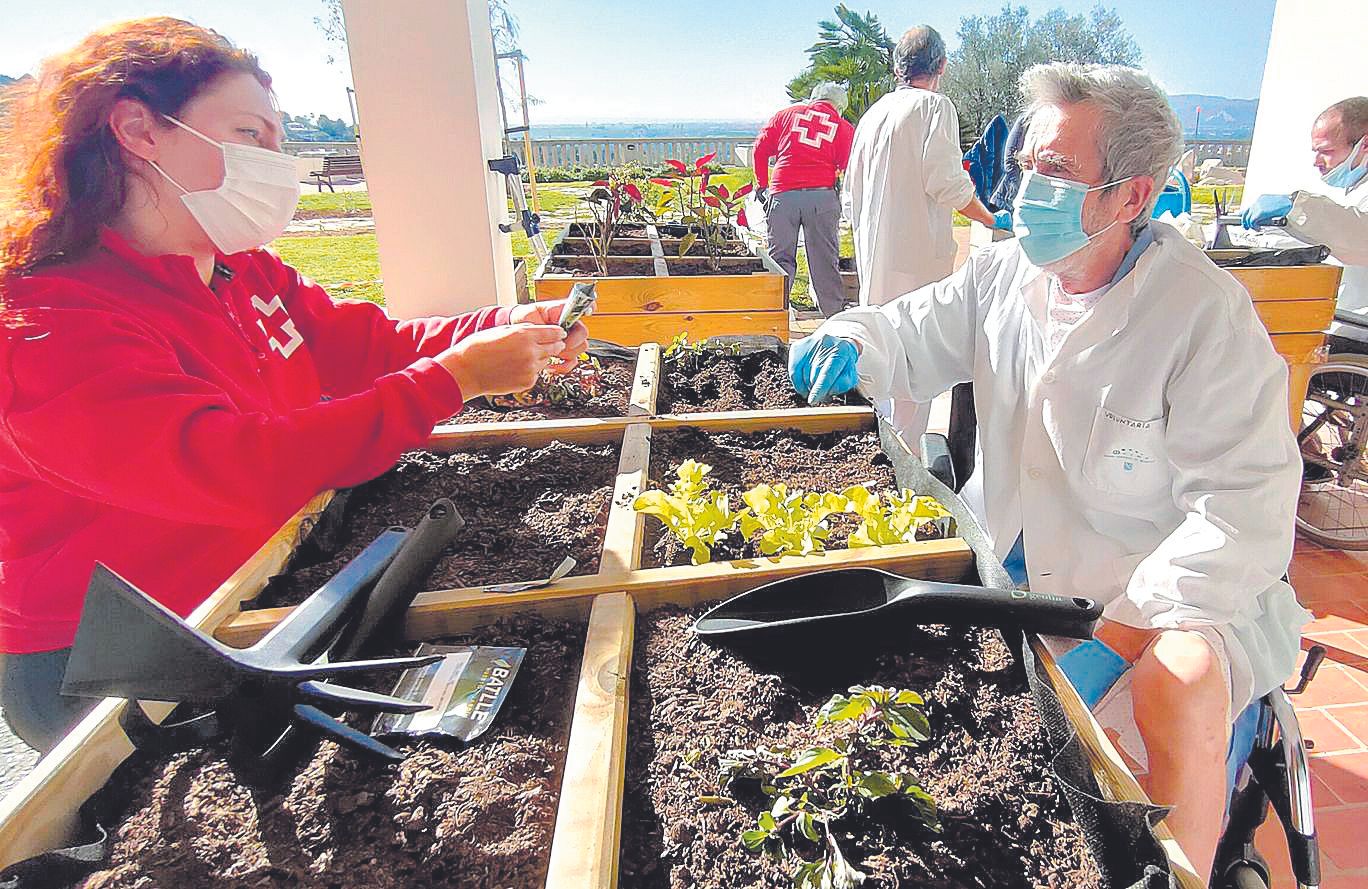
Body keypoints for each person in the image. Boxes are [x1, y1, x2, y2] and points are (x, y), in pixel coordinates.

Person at [0, 18, 588, 752]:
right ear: (137, 130)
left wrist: (506, 322)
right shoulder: (45, 322)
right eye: (251, 135)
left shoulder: (235, 268)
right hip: (112, 660)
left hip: (261, 590)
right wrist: (456, 379)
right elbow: (241, 467)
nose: (278, 163)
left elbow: (370, 347)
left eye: (280, 140)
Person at [790, 63, 1309, 882]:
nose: (1029, 185)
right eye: (1027, 163)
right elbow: (908, 328)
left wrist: (1125, 631)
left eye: (1057, 171)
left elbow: (1241, 516)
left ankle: (1178, 869)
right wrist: (853, 339)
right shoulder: (1004, 273)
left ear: (1132, 198)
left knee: (1179, 682)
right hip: (1021, 572)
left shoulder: (1204, 317)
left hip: (1168, 590)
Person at [842, 25, 1011, 440]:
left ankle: (875, 443)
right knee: (915, 356)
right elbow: (946, 183)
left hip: (875, 249)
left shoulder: (873, 114)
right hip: (915, 254)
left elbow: (851, 191)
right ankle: (905, 455)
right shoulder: (934, 107)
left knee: (877, 346)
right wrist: (990, 218)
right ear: (941, 65)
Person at [1243, 97, 1368, 314]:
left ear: (1365, 145)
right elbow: (1337, 241)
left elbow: (1360, 236)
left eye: (1326, 151)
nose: (1317, 161)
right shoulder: (1358, 187)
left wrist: (1295, 207)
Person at [751, 82, 856, 318]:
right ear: (839, 106)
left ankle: (774, 313)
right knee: (823, 259)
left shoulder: (785, 116)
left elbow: (759, 149)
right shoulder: (842, 127)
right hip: (821, 197)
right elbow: (848, 166)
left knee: (780, 259)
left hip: (782, 195)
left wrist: (761, 184)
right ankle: (833, 315)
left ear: (813, 98)